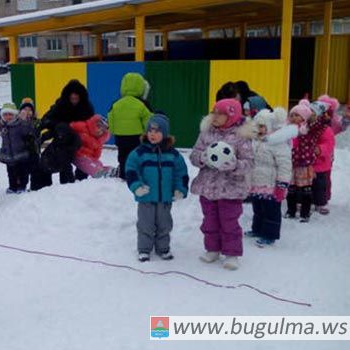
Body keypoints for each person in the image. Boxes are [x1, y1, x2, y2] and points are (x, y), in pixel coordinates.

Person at [190, 99, 254, 270]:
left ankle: (232, 254)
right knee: (209, 221)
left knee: (229, 222)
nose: (215, 116)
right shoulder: (206, 132)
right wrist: (201, 158)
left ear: (231, 116)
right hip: (208, 187)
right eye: (214, 112)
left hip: (231, 190)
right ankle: (212, 249)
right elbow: (194, 154)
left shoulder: (241, 136)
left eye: (220, 113)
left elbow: (249, 162)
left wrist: (234, 165)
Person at [126, 114, 189, 262]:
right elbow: (131, 170)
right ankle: (144, 249)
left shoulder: (173, 155)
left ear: (165, 134)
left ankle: (163, 248)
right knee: (145, 225)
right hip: (146, 197)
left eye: (157, 131)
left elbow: (181, 173)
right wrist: (137, 186)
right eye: (150, 131)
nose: (152, 134)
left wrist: (180, 189)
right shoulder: (139, 153)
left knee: (164, 225)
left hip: (165, 198)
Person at [245, 108, 292, 247]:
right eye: (257, 126)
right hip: (257, 183)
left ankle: (269, 234)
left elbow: (285, 165)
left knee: (271, 211)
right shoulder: (255, 142)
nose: (259, 129)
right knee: (258, 208)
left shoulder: (278, 144)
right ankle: (257, 229)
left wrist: (282, 185)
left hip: (271, 185)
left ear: (270, 126)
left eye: (263, 126)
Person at [35, 80, 94, 188]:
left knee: (81, 166)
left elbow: (92, 126)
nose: (74, 101)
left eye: (76, 98)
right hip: (62, 140)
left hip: (81, 142)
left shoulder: (87, 108)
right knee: (50, 162)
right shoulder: (60, 105)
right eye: (72, 98)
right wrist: (56, 127)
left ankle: (79, 186)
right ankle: (51, 188)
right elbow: (46, 119)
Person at [285, 100, 328, 222]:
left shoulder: (308, 129)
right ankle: (291, 210)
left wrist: (317, 117)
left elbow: (319, 125)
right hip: (292, 164)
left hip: (305, 165)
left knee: (305, 190)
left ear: (304, 117)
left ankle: (305, 213)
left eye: (297, 115)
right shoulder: (288, 129)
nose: (293, 117)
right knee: (291, 189)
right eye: (292, 115)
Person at [107, 73, 151, 180]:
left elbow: (110, 118)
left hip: (120, 137)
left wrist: (114, 131)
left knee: (122, 156)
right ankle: (136, 174)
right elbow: (148, 120)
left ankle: (123, 173)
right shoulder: (142, 104)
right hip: (136, 136)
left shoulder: (116, 103)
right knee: (137, 156)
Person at [0, 102, 36, 194]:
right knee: (11, 172)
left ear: (15, 115)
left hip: (20, 152)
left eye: (10, 114)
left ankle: (22, 186)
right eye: (5, 115)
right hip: (8, 153)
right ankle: (13, 186)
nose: (8, 117)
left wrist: (24, 121)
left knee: (22, 171)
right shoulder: (2, 125)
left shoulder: (19, 124)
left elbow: (28, 131)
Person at [18, 98, 42, 191]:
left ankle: (35, 186)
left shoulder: (36, 121)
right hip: (22, 151)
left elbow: (36, 133)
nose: (27, 112)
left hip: (34, 150)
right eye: (25, 109)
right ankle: (22, 186)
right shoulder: (18, 122)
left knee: (35, 169)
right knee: (22, 170)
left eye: (30, 110)